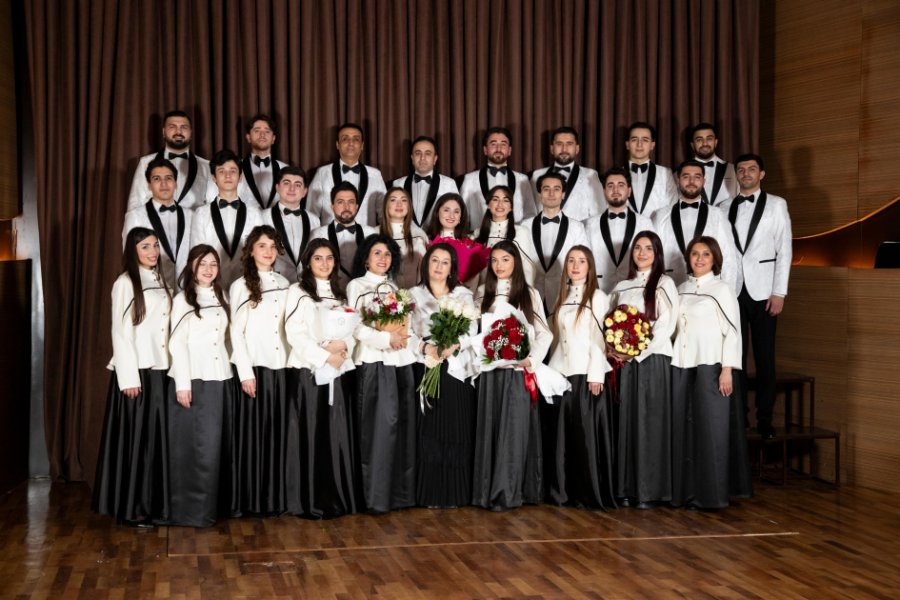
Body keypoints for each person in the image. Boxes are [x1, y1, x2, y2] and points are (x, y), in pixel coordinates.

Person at [93, 227, 172, 527]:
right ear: (133, 250)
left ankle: (153, 503)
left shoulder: (160, 279)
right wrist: (128, 378)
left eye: (155, 245)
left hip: (160, 369)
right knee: (138, 442)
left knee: (154, 441)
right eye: (145, 247)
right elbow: (120, 332)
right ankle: (132, 507)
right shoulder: (125, 282)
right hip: (137, 373)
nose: (152, 252)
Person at [671, 237, 753, 509]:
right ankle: (686, 493)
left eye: (706, 254)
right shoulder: (680, 289)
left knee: (711, 431)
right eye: (695, 253)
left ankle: (711, 495)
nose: (700, 259)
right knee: (685, 430)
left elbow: (733, 332)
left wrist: (727, 369)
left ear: (715, 259)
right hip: (683, 366)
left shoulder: (723, 290)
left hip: (711, 367)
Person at [473, 241, 552, 511]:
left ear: (515, 262)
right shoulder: (482, 293)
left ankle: (509, 492)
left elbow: (544, 334)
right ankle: (486, 491)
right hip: (490, 375)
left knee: (514, 431)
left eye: (505, 259)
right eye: (494, 260)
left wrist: (530, 360)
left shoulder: (529, 293)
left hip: (517, 374)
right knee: (490, 429)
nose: (499, 265)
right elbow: (474, 333)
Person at [283, 238, 358, 518]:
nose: (324, 263)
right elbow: (294, 332)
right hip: (309, 371)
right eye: (318, 258)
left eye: (329, 258)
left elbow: (352, 329)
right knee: (312, 434)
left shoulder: (340, 294)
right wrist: (324, 356)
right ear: (308, 263)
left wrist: (343, 348)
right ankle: (310, 500)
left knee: (334, 434)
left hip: (338, 370)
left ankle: (336, 496)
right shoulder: (298, 291)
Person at [720, 154, 793, 440]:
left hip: (764, 292)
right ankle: (738, 417)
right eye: (741, 170)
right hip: (732, 291)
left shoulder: (777, 204)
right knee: (733, 356)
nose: (746, 173)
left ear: (761, 174)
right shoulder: (723, 207)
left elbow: (784, 249)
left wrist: (779, 292)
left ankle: (765, 419)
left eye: (752, 169)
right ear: (736, 174)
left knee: (765, 357)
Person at [347, 234, 420, 513]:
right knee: (378, 431)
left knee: (402, 429)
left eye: (388, 254)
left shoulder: (395, 288)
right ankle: (375, 498)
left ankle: (399, 495)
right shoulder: (357, 286)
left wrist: (404, 340)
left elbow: (406, 325)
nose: (383, 258)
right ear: (366, 258)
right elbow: (355, 326)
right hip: (375, 361)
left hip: (401, 363)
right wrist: (386, 339)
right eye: (377, 253)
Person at [610, 231, 679, 508]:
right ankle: (627, 487)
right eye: (637, 248)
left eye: (648, 248)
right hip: (626, 363)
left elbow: (666, 324)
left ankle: (650, 490)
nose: (642, 253)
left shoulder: (664, 283)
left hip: (653, 360)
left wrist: (637, 351)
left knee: (650, 423)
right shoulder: (621, 286)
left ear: (657, 253)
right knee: (627, 422)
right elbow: (610, 323)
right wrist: (615, 350)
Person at [166, 244, 233, 527]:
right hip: (194, 379)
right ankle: (190, 511)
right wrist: (183, 384)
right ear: (191, 267)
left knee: (214, 447)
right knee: (195, 447)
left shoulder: (222, 295)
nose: (208, 269)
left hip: (220, 377)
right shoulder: (183, 300)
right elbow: (177, 343)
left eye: (213, 264)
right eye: (202, 263)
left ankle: (211, 508)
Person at [545, 246, 615, 509]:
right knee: (562, 437)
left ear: (590, 266)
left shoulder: (598, 297)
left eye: (581, 261)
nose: (575, 266)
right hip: (561, 373)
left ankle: (587, 494)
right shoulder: (561, 297)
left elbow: (600, 339)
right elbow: (556, 338)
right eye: (571, 261)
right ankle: (562, 492)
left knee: (585, 437)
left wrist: (596, 374)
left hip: (586, 374)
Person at [409, 243, 478, 508]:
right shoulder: (413, 294)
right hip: (425, 366)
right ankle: (430, 494)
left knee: (456, 428)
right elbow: (406, 332)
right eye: (434, 260)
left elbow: (471, 328)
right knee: (429, 430)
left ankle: (455, 493)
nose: (438, 266)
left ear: (452, 268)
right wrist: (425, 347)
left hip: (456, 369)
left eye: (445, 262)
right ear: (426, 264)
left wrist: (453, 345)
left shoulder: (463, 294)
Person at [229, 225, 291, 515]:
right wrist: (245, 373)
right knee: (255, 437)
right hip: (256, 368)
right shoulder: (240, 285)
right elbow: (236, 332)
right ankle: (252, 501)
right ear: (251, 250)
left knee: (278, 435)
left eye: (272, 246)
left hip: (282, 368)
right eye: (262, 246)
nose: (268, 251)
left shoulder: (285, 283)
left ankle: (275, 500)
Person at [654, 160, 737, 290]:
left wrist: (728, 292)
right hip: (670, 287)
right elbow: (653, 256)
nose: (691, 181)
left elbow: (729, 257)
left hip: (708, 288)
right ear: (677, 180)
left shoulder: (717, 214)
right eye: (686, 176)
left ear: (703, 181)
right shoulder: (661, 215)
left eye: (697, 177)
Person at [190, 149, 263, 286]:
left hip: (246, 285)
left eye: (233, 171)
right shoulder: (201, 214)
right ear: (214, 178)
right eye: (222, 171)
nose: (227, 175)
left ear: (240, 177)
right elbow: (196, 255)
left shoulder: (254, 213)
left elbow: (259, 252)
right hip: (212, 285)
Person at [122, 157, 193, 291]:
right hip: (151, 291)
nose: (163, 184)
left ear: (176, 183)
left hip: (186, 291)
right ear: (149, 185)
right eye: (157, 179)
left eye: (168, 178)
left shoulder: (191, 215)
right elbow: (131, 258)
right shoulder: (135, 216)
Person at [519, 172, 588, 308]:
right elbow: (519, 261)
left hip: (564, 296)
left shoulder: (577, 227)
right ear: (539, 194)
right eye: (546, 189)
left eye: (556, 189)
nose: (551, 193)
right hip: (532, 296)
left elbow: (584, 262)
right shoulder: (525, 226)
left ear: (563, 194)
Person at [585, 167, 656, 294]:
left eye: (621, 185)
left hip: (635, 290)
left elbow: (653, 257)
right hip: (599, 290)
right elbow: (586, 258)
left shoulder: (645, 223)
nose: (615, 190)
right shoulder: (590, 224)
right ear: (604, 191)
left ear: (629, 191)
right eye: (610, 186)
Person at [127, 110, 210, 211]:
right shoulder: (145, 163)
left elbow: (213, 205)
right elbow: (135, 204)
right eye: (172, 127)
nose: (178, 132)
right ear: (163, 132)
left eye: (184, 127)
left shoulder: (206, 166)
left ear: (191, 132)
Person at [308, 122, 387, 227]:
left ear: (362, 145)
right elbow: (311, 213)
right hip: (330, 236)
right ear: (337, 145)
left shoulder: (375, 174)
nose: (351, 143)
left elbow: (384, 213)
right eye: (345, 139)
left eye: (356, 139)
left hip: (366, 236)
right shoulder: (322, 173)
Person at [460, 127, 536, 226]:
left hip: (515, 235)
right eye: (493, 144)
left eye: (503, 144)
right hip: (479, 235)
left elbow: (531, 214)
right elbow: (462, 214)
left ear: (509, 150)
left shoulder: (523, 180)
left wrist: (519, 233)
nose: (498, 149)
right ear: (485, 150)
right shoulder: (469, 180)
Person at [530, 126, 603, 222]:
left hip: (579, 231)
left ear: (577, 148)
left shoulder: (591, 175)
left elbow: (599, 214)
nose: (564, 149)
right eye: (559, 144)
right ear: (552, 148)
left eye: (569, 144)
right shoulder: (536, 175)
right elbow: (531, 212)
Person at [310, 182, 376, 286]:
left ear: (357, 206)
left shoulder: (371, 233)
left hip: (364, 290)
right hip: (330, 291)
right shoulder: (318, 234)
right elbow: (309, 268)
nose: (346, 207)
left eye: (351, 202)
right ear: (332, 206)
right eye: (340, 202)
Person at [262, 166, 321, 283]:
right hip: (273, 282)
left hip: (305, 283)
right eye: (286, 183)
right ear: (277, 188)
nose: (292, 188)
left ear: (304, 192)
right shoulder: (262, 217)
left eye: (298, 185)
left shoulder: (314, 220)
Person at [472, 185, 538, 285]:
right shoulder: (477, 233)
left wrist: (522, 290)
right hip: (483, 289)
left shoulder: (521, 232)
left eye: (505, 200)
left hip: (512, 289)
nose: (500, 204)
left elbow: (528, 267)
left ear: (511, 207)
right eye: (495, 199)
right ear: (488, 204)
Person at [391, 136, 460, 227]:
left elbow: (457, 214)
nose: (422, 158)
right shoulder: (398, 184)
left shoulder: (449, 184)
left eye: (428, 153)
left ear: (435, 159)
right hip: (406, 235)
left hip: (437, 235)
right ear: (412, 158)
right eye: (418, 153)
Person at [624, 122, 677, 217]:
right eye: (634, 139)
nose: (639, 144)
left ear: (652, 145)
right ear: (627, 144)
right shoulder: (615, 175)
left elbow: (673, 206)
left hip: (657, 226)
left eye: (645, 140)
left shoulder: (665, 173)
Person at [379, 187, 429, 288]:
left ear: (409, 206)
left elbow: (425, 273)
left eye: (404, 200)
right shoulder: (374, 234)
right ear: (386, 206)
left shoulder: (419, 235)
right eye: (393, 200)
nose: (399, 204)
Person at [237, 114, 289, 210]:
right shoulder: (235, 168)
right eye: (257, 131)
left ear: (273, 138)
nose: (262, 135)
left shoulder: (286, 169)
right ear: (248, 137)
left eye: (267, 131)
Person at [690, 122, 737, 207]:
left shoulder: (733, 170)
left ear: (715, 142)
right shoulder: (679, 174)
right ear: (692, 145)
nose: (705, 143)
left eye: (709, 139)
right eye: (699, 140)